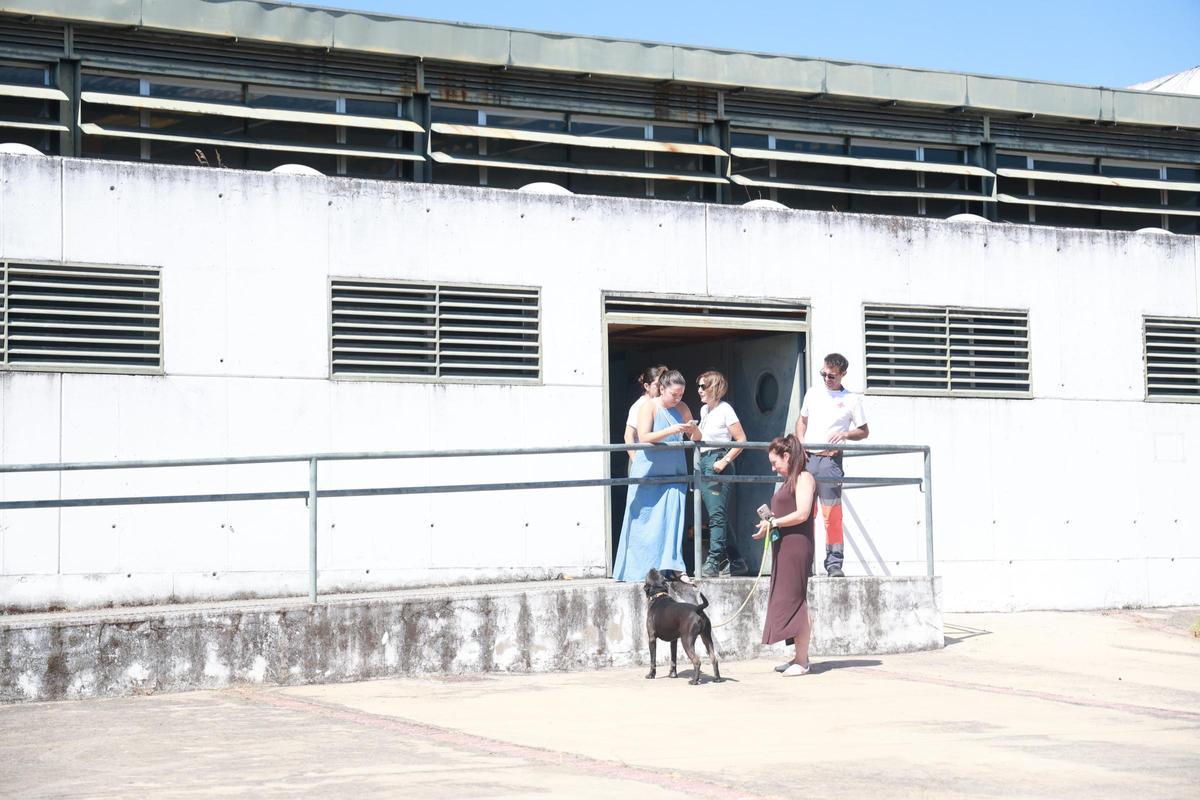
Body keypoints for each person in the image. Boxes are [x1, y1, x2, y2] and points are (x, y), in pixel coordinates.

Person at [613, 370, 702, 583]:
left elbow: (697, 437)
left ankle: (675, 567)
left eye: (681, 394)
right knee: (643, 521)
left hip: (674, 471)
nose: (677, 398)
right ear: (662, 389)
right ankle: (640, 570)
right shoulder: (648, 406)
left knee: (673, 518)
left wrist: (692, 429)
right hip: (649, 471)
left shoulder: (683, 408)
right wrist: (672, 430)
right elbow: (644, 436)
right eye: (674, 394)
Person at [795, 353, 868, 578]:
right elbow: (802, 421)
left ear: (843, 374)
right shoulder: (813, 393)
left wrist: (845, 434)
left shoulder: (852, 399)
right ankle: (804, 561)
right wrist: (801, 443)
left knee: (832, 514)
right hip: (808, 459)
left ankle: (834, 563)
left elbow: (864, 431)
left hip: (830, 462)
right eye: (824, 374)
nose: (827, 379)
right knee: (805, 513)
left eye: (832, 376)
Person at [753, 434, 816, 676]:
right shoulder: (790, 480)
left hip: (796, 546)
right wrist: (769, 524)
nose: (773, 468)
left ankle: (802, 660)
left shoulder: (804, 478)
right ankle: (799, 657)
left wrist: (774, 522)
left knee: (796, 600)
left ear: (787, 456)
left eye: (775, 462)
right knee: (788, 598)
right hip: (784, 546)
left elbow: (802, 513)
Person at [695, 370, 750, 578]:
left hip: (718, 460)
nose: (699, 390)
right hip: (704, 460)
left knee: (716, 515)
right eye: (699, 386)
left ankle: (714, 560)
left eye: (703, 386)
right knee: (717, 514)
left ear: (714, 388)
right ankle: (736, 561)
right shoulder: (704, 410)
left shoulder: (725, 409)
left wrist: (725, 460)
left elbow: (741, 440)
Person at [624, 365, 669, 462]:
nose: (660, 388)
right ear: (646, 386)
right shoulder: (639, 405)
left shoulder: (662, 405)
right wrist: (635, 461)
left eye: (662, 385)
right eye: (657, 385)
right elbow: (628, 436)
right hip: (642, 459)